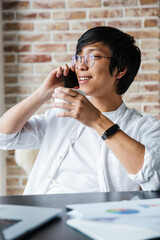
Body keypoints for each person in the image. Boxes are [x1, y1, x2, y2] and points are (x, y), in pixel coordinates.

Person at [0, 26, 159, 195]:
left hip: (99, 218)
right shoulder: (61, 115)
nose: (81, 65)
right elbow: (5, 137)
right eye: (78, 58)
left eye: (93, 57)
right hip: (44, 213)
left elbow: (155, 180)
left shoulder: (146, 128)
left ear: (120, 69)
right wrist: (44, 92)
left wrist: (97, 121)